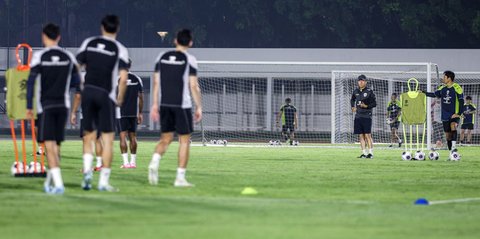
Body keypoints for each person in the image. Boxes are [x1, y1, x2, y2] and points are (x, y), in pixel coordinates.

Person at [26, 23, 80, 195]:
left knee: (48, 145)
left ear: (44, 36)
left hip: (46, 106)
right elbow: (78, 84)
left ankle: (58, 184)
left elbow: (31, 82)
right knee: (56, 145)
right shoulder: (69, 57)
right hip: (63, 106)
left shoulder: (39, 57)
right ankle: (50, 181)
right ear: (59, 37)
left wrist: (29, 106)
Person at [76, 15, 128, 192]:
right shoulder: (120, 48)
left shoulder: (89, 43)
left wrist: (82, 87)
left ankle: (87, 176)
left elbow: (76, 66)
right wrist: (119, 98)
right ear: (118, 29)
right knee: (107, 139)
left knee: (89, 136)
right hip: (107, 96)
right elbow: (123, 78)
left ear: (102, 27)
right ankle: (103, 182)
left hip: (89, 92)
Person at [148, 29, 202, 187]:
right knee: (184, 141)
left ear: (175, 40)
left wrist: (154, 105)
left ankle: (154, 162)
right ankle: (180, 178)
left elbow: (156, 82)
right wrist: (199, 106)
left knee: (165, 140)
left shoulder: (162, 56)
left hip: (165, 104)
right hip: (182, 105)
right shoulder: (190, 59)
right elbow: (193, 85)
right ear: (190, 43)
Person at [423, 71, 464, 153]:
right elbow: (434, 95)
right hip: (445, 115)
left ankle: (454, 148)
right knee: (448, 136)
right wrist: (424, 93)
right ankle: (451, 153)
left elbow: (461, 101)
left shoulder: (457, 87)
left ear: (449, 78)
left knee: (453, 126)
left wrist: (458, 113)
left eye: (444, 77)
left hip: (454, 114)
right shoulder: (442, 88)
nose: (443, 79)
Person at [117, 59, 144, 169]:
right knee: (133, 137)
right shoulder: (137, 79)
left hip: (121, 113)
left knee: (123, 137)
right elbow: (141, 98)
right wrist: (140, 113)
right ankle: (133, 163)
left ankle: (126, 163)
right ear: (130, 65)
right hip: (133, 113)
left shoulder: (118, 80)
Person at [70, 87, 104, 172]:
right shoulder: (100, 76)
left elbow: (78, 96)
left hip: (87, 113)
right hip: (99, 111)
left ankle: (88, 166)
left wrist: (73, 112)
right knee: (98, 138)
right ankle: (100, 165)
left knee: (86, 139)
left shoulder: (82, 79)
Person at [350, 74, 376, 158]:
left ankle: (371, 153)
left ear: (365, 82)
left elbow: (374, 103)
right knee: (361, 135)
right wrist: (353, 106)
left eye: (362, 80)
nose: (361, 82)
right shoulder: (355, 91)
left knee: (367, 135)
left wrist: (367, 106)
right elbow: (352, 99)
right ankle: (364, 153)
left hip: (367, 116)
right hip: (358, 116)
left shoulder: (369, 91)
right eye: (359, 80)